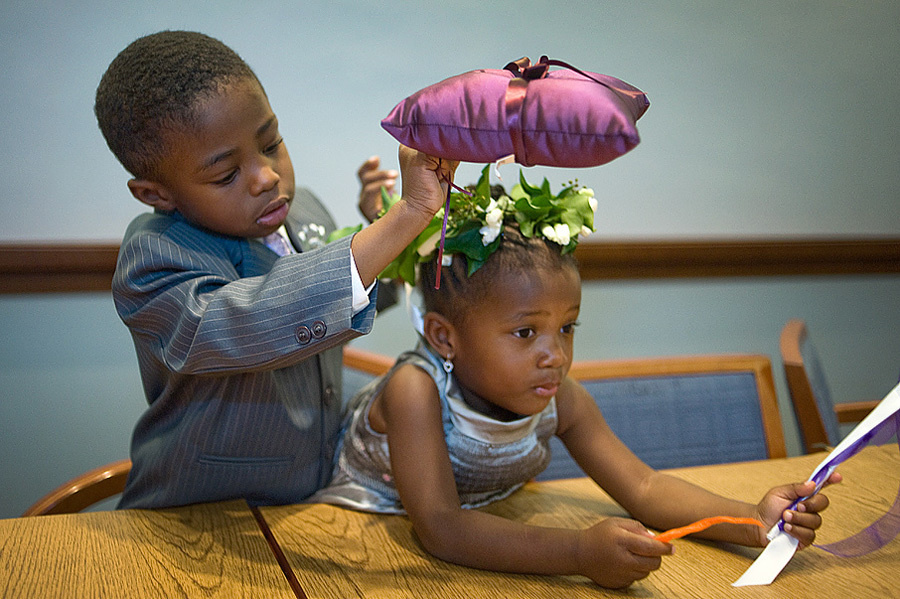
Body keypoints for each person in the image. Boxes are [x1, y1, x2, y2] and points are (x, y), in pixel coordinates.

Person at [309, 172, 841, 588]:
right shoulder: (414, 390)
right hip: (354, 541)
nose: (555, 355)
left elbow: (645, 487)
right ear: (445, 339)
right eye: (525, 333)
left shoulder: (561, 397)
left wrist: (752, 520)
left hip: (491, 532)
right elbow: (441, 528)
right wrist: (578, 552)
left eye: (567, 328)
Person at [94, 30, 456, 509]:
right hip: (197, 517)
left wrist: (376, 226)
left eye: (271, 143)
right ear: (156, 193)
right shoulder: (154, 254)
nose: (267, 177)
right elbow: (248, 324)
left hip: (309, 503)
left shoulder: (302, 210)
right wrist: (403, 217)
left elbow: (343, 302)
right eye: (226, 174)